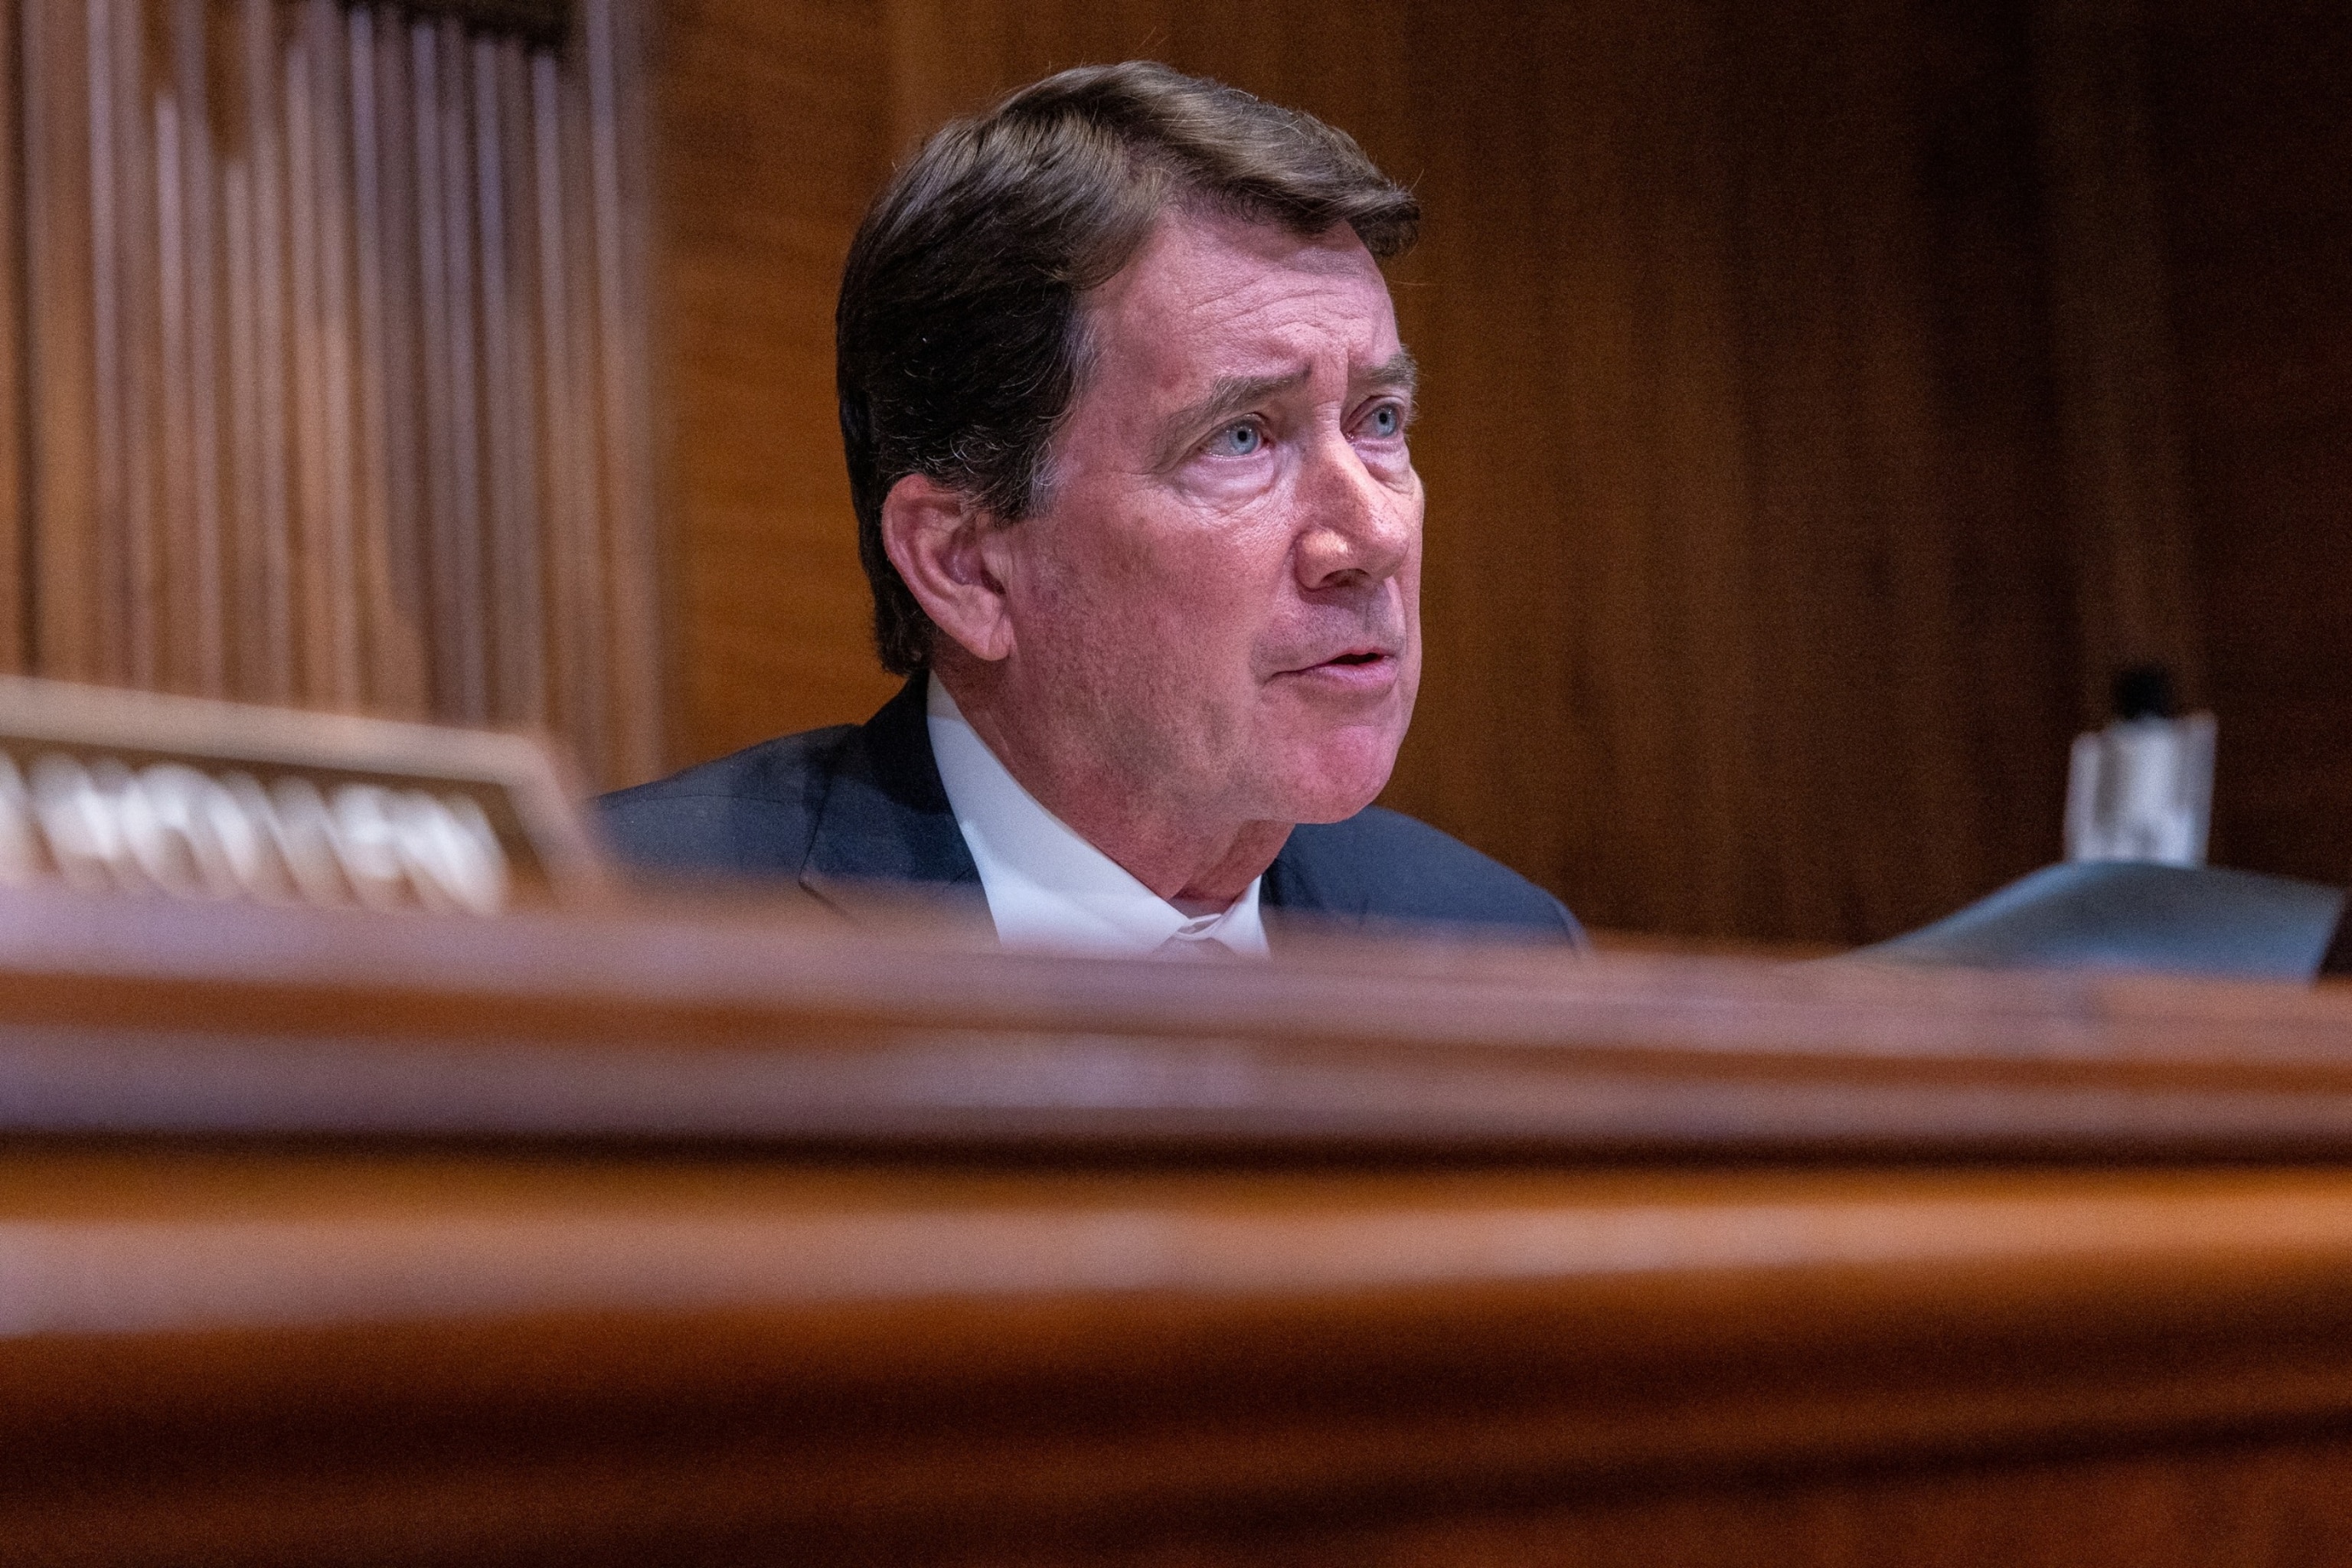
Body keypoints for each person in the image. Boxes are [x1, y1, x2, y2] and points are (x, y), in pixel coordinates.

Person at [600, 62, 1579, 957]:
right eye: (1241, 436)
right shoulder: (625, 933)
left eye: (1378, 419)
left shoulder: (1495, 947)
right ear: (966, 564)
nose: (1373, 534)